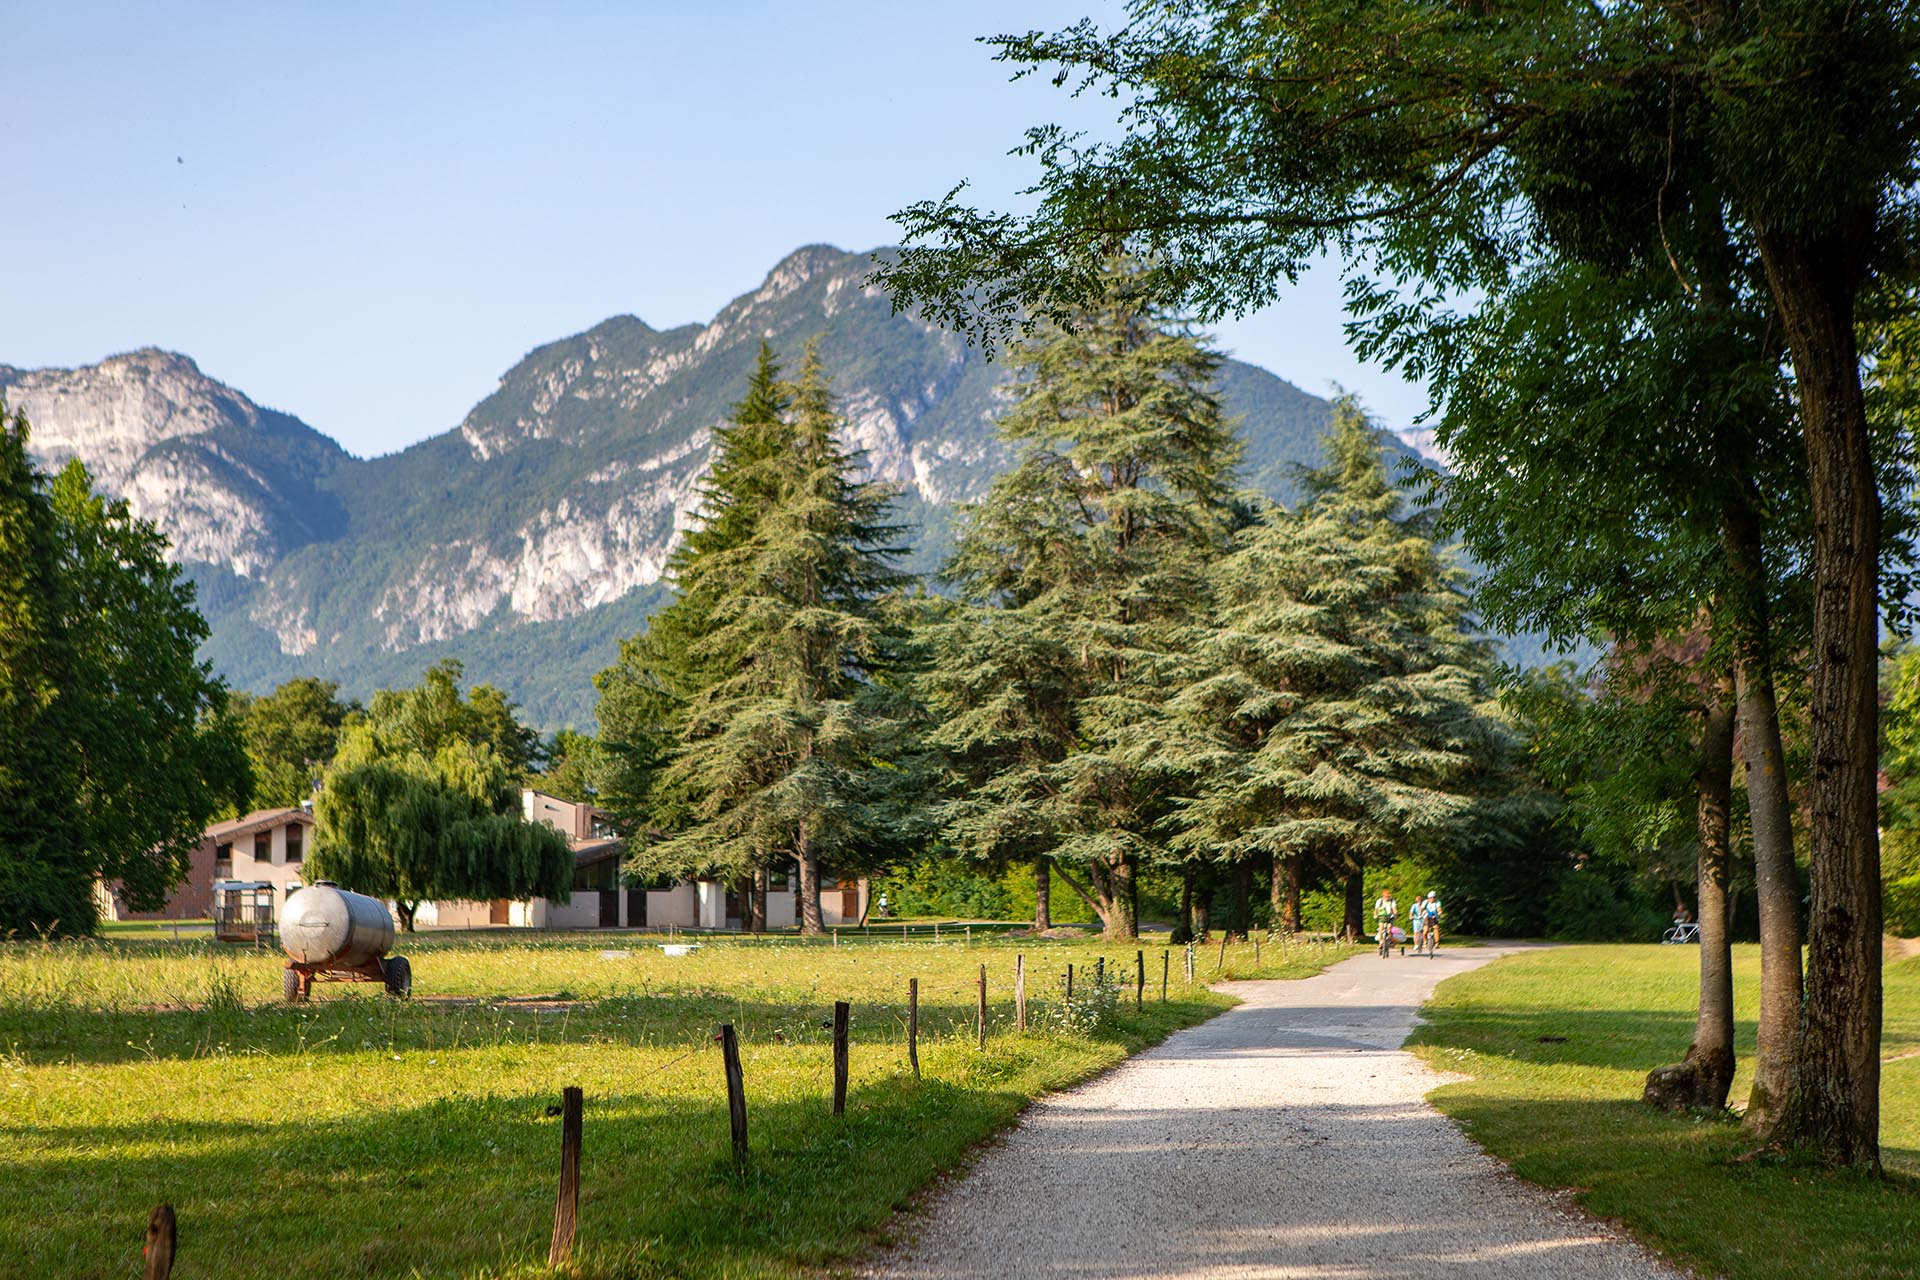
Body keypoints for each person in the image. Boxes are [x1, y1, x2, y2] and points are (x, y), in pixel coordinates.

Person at [1374, 888, 1398, 958]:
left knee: (1389, 928)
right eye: (1386, 896)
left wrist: (1396, 914)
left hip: (1390, 916)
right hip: (1382, 917)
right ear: (1383, 896)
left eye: (1388, 896)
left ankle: (1390, 941)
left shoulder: (1392, 901)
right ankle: (1381, 942)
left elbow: (1394, 909)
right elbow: (1376, 910)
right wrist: (1375, 915)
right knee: (1381, 928)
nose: (1387, 897)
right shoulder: (1379, 901)